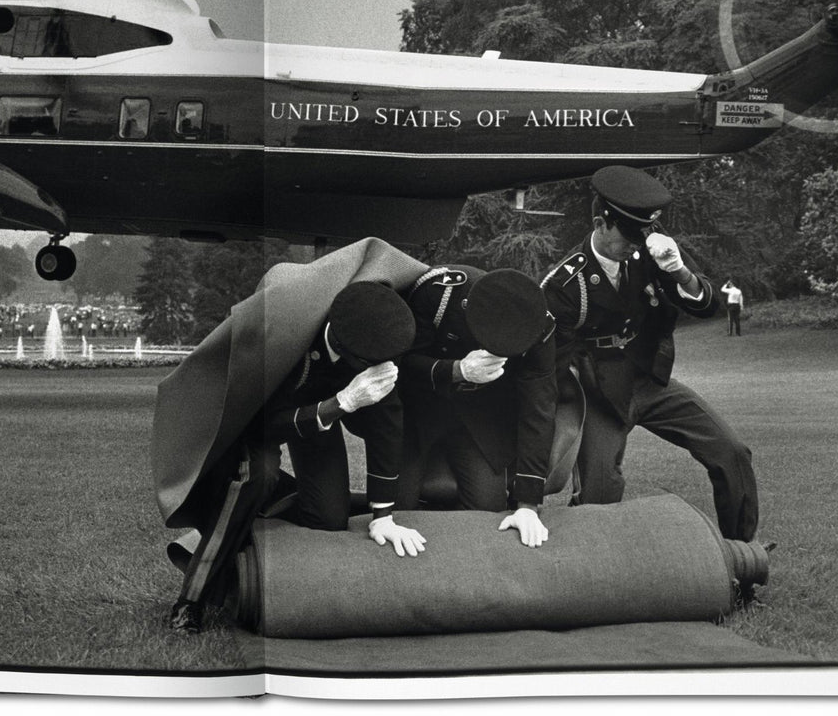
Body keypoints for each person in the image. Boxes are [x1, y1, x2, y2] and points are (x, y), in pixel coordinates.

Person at [166, 278, 426, 633]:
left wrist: (383, 516)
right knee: (256, 476)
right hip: (254, 417)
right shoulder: (284, 336)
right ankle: (189, 601)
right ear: (347, 347)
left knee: (329, 517)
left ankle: (255, 517)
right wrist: (340, 404)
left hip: (320, 414)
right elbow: (257, 422)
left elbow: (387, 430)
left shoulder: (374, 345)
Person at [542, 166, 759, 542]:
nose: (635, 246)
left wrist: (678, 272)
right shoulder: (565, 283)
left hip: (649, 379)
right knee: (600, 492)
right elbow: (550, 365)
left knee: (731, 452)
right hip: (598, 392)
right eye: (627, 237)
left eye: (640, 237)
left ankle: (742, 557)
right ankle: (593, 569)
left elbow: (707, 305)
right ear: (600, 223)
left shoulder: (653, 251)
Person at [399, 266, 560, 547]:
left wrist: (528, 505)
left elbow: (539, 410)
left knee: (489, 509)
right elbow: (401, 364)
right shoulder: (440, 295)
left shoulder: (539, 326)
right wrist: (456, 370)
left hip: (481, 416)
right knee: (398, 506)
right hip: (420, 411)